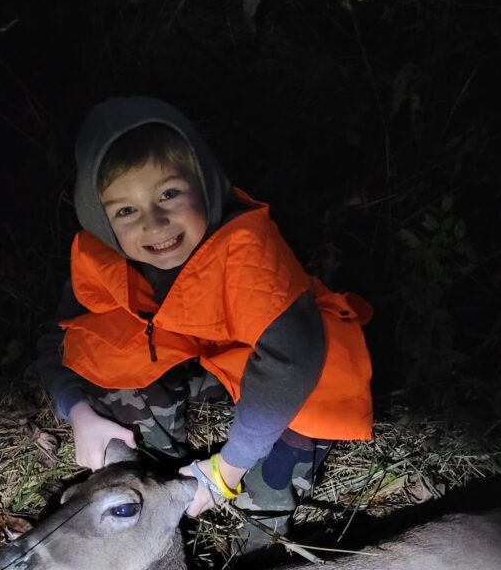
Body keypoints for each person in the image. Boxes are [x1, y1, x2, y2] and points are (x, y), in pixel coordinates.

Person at [37, 96, 373, 545]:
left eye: (169, 194)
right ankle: (152, 483)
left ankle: (263, 520)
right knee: (103, 354)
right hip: (201, 360)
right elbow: (56, 342)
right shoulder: (108, 260)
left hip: (276, 366)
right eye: (126, 211)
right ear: (101, 221)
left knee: (319, 380)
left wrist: (226, 470)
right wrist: (78, 411)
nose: (155, 224)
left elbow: (290, 361)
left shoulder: (248, 251)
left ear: (205, 186)